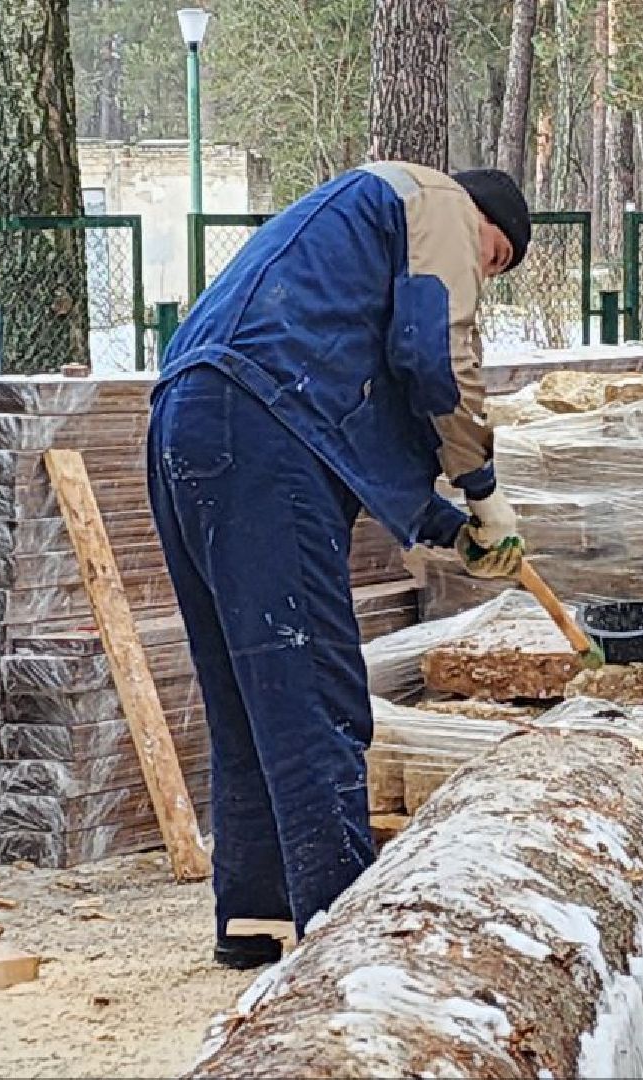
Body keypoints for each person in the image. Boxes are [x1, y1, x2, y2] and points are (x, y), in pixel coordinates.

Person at [148, 162, 532, 968]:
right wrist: (482, 487)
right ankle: (342, 938)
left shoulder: (343, 239)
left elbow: (348, 418)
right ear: (485, 221)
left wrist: (446, 526)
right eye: (494, 259)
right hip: (262, 431)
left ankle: (256, 919)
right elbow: (436, 360)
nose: (482, 274)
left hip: (193, 421)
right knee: (315, 691)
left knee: (250, 689)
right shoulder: (439, 205)